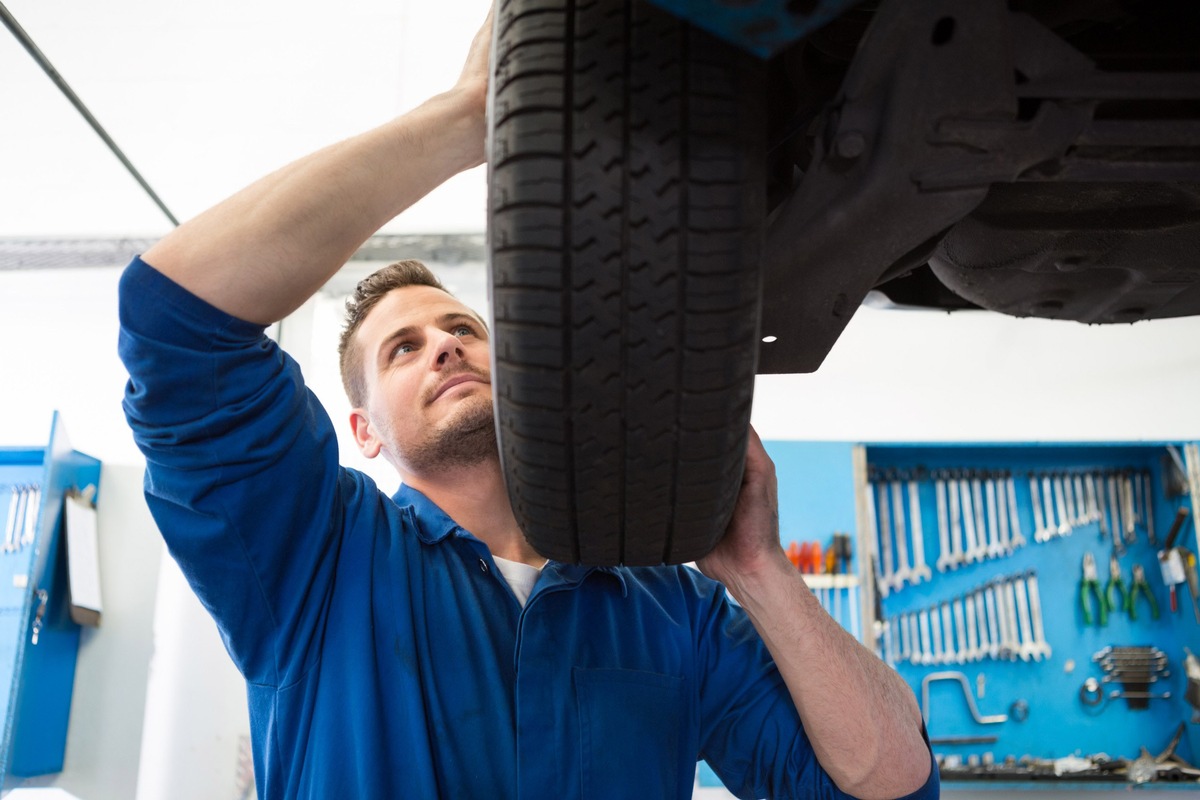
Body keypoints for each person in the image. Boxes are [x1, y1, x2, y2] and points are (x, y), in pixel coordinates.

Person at [118, 8, 937, 800]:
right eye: (404, 350)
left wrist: (759, 571)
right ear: (363, 431)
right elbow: (175, 320)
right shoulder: (317, 558)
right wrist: (467, 118)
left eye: (463, 328)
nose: (444, 345)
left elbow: (889, 788)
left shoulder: (672, 605)